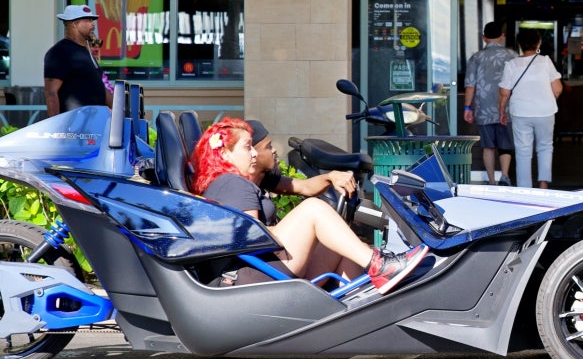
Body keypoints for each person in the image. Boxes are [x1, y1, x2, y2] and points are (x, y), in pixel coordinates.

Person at [188, 118, 427, 292]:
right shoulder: (232, 184)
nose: (254, 153)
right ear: (225, 155)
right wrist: (297, 228)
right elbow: (252, 240)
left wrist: (330, 177)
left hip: (263, 268)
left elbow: (302, 187)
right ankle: (381, 266)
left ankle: (355, 309)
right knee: (313, 210)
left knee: (345, 246)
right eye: (247, 147)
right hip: (247, 277)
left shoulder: (240, 181)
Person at [498, 28, 563, 189]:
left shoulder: (511, 64)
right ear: (538, 43)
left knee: (523, 151)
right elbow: (558, 88)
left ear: (519, 45)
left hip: (520, 112)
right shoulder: (546, 61)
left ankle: (525, 189)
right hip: (546, 111)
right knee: (545, 146)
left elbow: (504, 92)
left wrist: (501, 111)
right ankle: (543, 183)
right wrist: (546, 99)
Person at [463, 21, 516, 185]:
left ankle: (492, 181)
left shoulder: (476, 58)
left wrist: (467, 107)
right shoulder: (512, 56)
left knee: (488, 146)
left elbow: (470, 85)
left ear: (484, 38)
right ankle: (505, 175)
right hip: (507, 107)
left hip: (483, 108)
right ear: (502, 36)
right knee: (505, 144)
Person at [43, 4, 114, 117]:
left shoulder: (87, 52)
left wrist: (119, 113)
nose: (93, 24)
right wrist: (56, 128)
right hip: (74, 124)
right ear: (74, 24)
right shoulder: (59, 52)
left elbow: (100, 87)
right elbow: (51, 93)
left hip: (96, 122)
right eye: (88, 20)